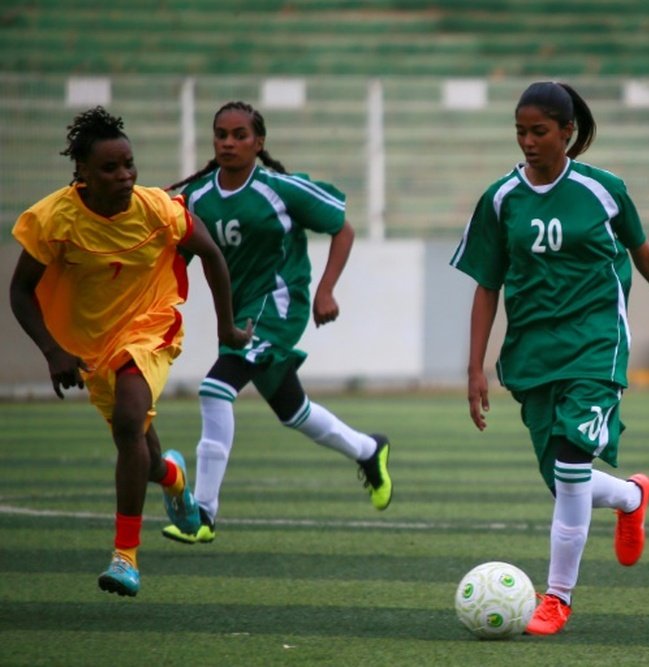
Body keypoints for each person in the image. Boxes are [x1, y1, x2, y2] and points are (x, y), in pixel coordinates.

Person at [451, 81, 649, 636]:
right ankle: (629, 495)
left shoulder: (603, 189)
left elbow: (645, 256)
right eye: (520, 131)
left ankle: (557, 599)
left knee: (572, 466)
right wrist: (475, 366)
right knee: (563, 481)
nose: (527, 141)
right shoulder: (501, 198)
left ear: (567, 132)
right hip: (533, 351)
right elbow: (486, 283)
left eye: (539, 131)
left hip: (596, 343)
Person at [9, 106, 252, 597]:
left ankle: (126, 558)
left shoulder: (159, 209)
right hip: (91, 347)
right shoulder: (52, 219)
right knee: (138, 443)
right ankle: (174, 478)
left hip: (152, 325)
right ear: (82, 173)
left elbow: (211, 254)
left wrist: (227, 327)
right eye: (110, 168)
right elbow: (20, 291)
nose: (124, 176)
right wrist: (54, 352)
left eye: (129, 165)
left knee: (127, 421)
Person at [160, 101, 392, 545]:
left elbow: (341, 228)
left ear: (258, 142)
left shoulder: (280, 189)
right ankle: (369, 449)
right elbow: (177, 256)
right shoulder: (198, 198)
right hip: (240, 314)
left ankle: (203, 514)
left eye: (240, 135)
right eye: (221, 134)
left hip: (279, 306)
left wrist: (326, 290)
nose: (229, 142)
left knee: (214, 390)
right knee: (294, 411)